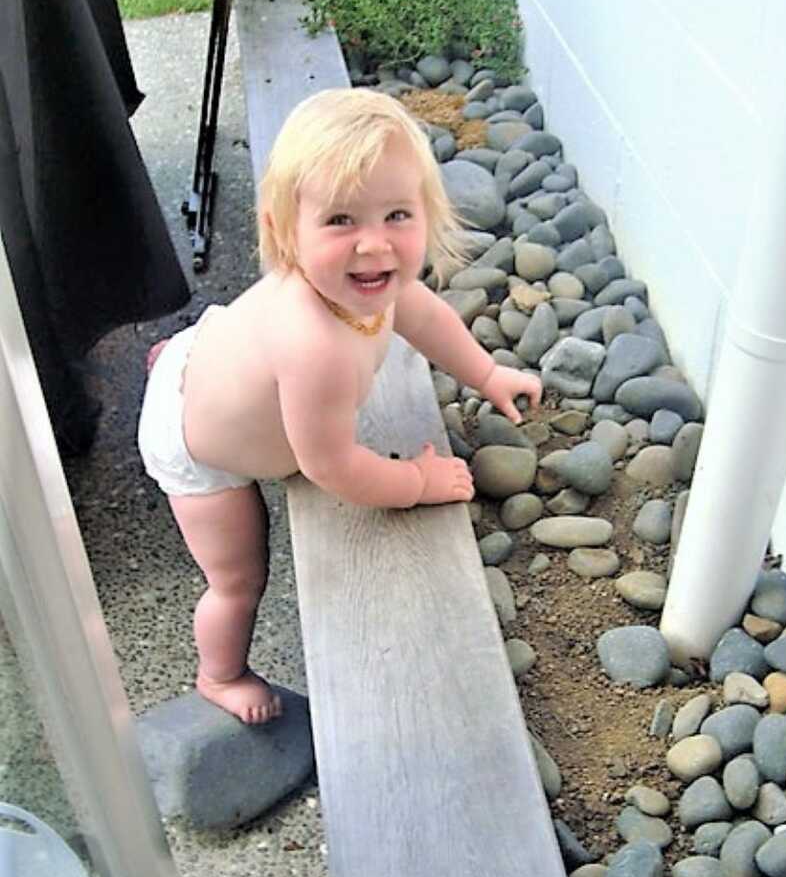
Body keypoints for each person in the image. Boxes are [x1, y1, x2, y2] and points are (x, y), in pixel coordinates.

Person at [138, 88, 542, 726]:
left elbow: (426, 316)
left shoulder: (374, 286)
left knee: (227, 366)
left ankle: (179, 363)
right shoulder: (314, 347)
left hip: (216, 355)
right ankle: (220, 675)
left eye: (397, 216)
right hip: (196, 449)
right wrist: (416, 480)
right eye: (341, 221)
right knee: (238, 577)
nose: (374, 246)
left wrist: (486, 372)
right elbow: (331, 468)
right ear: (283, 232)